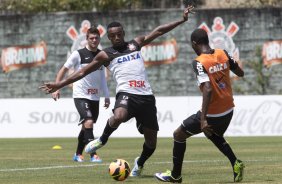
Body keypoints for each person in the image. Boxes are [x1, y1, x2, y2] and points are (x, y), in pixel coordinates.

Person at [40, 5, 195, 176]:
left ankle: (140, 163)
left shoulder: (135, 44)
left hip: (146, 97)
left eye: (119, 34)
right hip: (126, 94)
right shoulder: (105, 54)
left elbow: (158, 31)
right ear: (109, 37)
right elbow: (83, 71)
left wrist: (182, 19)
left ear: (123, 33)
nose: (116, 37)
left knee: (151, 143)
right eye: (112, 35)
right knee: (119, 115)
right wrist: (59, 84)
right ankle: (102, 139)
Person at [155, 28, 245, 183]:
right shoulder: (223, 53)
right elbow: (240, 73)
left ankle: (175, 175)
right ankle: (235, 163)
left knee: (178, 134)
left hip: (213, 114)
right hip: (228, 110)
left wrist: (203, 120)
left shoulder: (199, 62)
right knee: (212, 134)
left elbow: (208, 89)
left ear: (194, 44)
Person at [51, 26, 110, 163]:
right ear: (87, 39)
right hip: (80, 95)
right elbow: (63, 69)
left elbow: (102, 77)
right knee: (88, 121)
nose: (94, 40)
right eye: (91, 38)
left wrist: (106, 96)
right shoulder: (78, 54)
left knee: (86, 126)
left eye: (96, 38)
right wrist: (56, 87)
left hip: (95, 97)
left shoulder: (102, 55)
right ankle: (93, 154)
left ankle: (78, 154)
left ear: (99, 38)